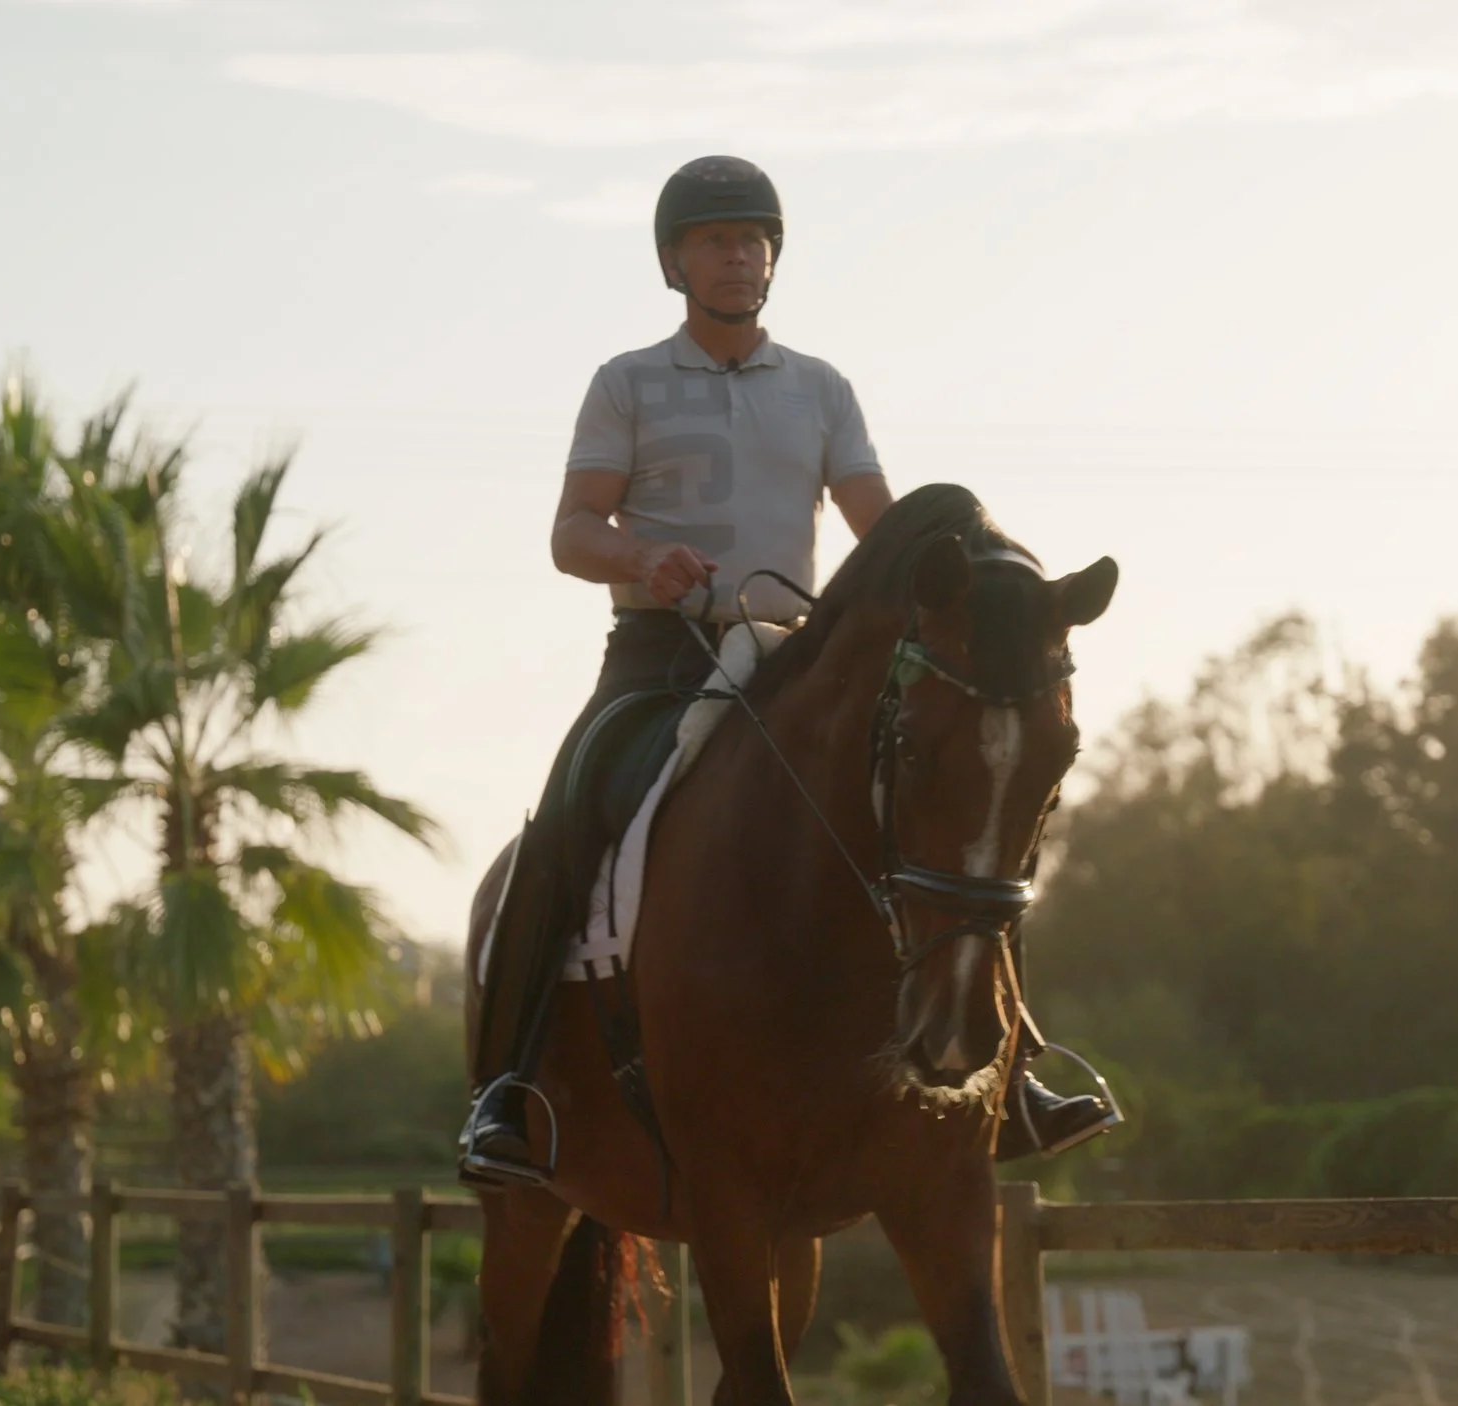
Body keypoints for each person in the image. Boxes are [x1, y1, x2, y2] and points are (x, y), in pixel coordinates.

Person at [459, 155, 1118, 1188]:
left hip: (784, 659)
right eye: (718, 240)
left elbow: (882, 532)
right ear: (676, 261)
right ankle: (506, 1088)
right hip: (658, 654)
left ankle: (1015, 1064)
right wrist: (641, 558)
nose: (741, 255)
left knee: (949, 811)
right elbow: (571, 529)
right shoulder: (625, 381)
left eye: (755, 239)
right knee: (569, 804)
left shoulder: (821, 388)